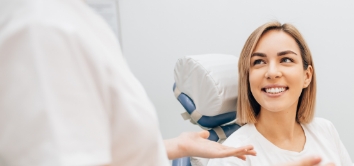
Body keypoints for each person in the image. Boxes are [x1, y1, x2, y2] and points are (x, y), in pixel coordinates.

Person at [0, 0, 256, 165]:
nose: (272, 72)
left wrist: (177, 145)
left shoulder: (81, 23)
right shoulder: (45, 29)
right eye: (258, 62)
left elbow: (109, 145)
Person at [207, 22, 353, 166]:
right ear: (248, 78)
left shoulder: (326, 131)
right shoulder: (231, 157)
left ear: (307, 76)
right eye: (259, 62)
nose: (272, 73)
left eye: (286, 60)